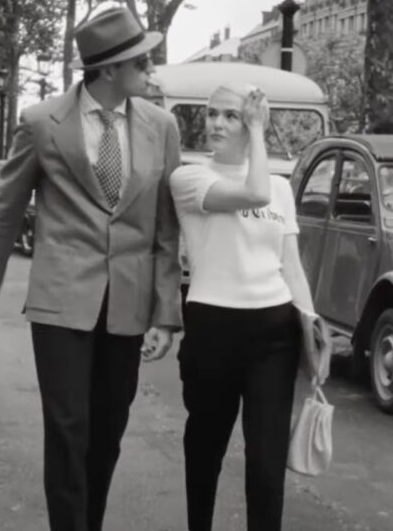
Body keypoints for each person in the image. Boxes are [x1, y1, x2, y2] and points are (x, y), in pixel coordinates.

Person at [0, 7, 182, 531]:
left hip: (128, 301)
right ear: (108, 69)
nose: (151, 70)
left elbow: (166, 228)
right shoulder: (43, 123)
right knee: (67, 427)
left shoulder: (161, 126)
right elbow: (5, 213)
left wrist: (165, 313)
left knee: (107, 429)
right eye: (141, 62)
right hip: (60, 299)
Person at [169, 84, 316, 531]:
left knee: (267, 462)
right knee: (205, 449)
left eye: (231, 115)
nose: (216, 123)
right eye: (212, 113)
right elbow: (254, 194)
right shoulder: (190, 179)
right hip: (212, 328)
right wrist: (256, 129)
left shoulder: (281, 188)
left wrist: (312, 328)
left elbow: (290, 266)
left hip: (274, 331)